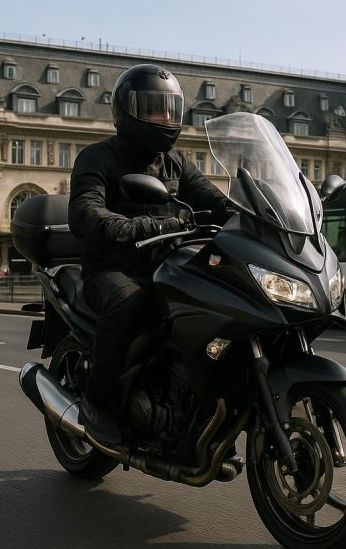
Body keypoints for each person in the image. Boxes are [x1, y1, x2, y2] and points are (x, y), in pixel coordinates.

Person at [68, 63, 232, 451]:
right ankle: (97, 405)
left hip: (168, 267)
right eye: (153, 108)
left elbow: (215, 202)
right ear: (127, 111)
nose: (164, 117)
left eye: (169, 108)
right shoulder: (97, 158)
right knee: (129, 303)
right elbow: (85, 211)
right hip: (113, 269)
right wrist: (131, 226)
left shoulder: (177, 164)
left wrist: (259, 214)